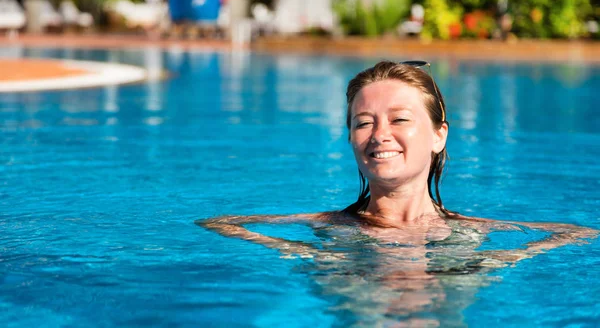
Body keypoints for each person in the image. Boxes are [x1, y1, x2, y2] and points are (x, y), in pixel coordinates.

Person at [198, 60, 597, 263]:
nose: (379, 135)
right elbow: (218, 223)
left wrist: (498, 260)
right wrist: (309, 254)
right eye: (363, 122)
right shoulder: (330, 227)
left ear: (439, 135)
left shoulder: (473, 233)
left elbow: (579, 233)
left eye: (400, 119)